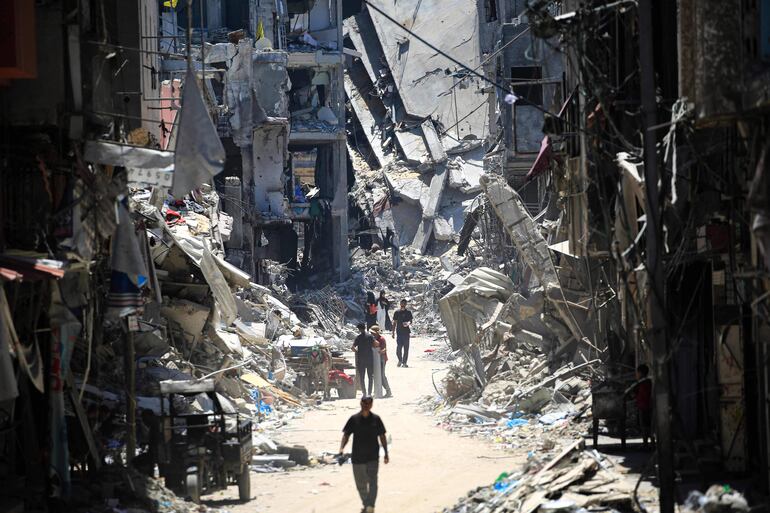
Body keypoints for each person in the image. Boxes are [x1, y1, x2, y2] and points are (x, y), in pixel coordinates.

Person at [339, 396, 389, 513]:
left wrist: (386, 453)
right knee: (360, 484)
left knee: (372, 482)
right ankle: (367, 504)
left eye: (368, 403)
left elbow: (382, 436)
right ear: (360, 404)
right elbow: (346, 435)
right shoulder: (354, 419)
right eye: (364, 403)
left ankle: (370, 505)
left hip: (372, 457)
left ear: (371, 405)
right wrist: (341, 448)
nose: (366, 405)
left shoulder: (376, 419)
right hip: (358, 457)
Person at [633, 364, 653, 448]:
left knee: (645, 426)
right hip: (644, 406)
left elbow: (644, 395)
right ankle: (649, 443)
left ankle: (646, 444)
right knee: (646, 425)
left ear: (640, 373)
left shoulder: (644, 383)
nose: (636, 375)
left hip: (645, 406)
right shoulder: (644, 382)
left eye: (637, 373)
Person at [369, 325, 392, 398]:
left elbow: (384, 349)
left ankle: (388, 391)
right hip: (375, 360)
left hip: (382, 359)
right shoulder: (372, 339)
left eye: (373, 333)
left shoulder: (381, 339)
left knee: (382, 376)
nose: (372, 334)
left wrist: (380, 352)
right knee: (375, 375)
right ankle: (377, 391)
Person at [353, 323, 375, 396]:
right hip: (369, 359)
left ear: (359, 329)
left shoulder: (358, 337)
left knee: (362, 377)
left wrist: (357, 352)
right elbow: (376, 344)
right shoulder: (370, 336)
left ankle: (364, 393)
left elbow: (352, 348)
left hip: (361, 360)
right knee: (370, 377)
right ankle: (369, 392)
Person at [392, 299, 413, 367]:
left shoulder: (408, 312)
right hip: (399, 332)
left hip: (406, 332)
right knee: (399, 347)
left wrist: (408, 323)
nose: (403, 305)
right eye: (402, 303)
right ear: (400, 304)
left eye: (404, 303)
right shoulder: (397, 312)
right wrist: (393, 332)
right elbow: (394, 322)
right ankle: (400, 360)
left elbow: (411, 321)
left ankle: (404, 362)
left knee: (406, 348)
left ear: (406, 304)